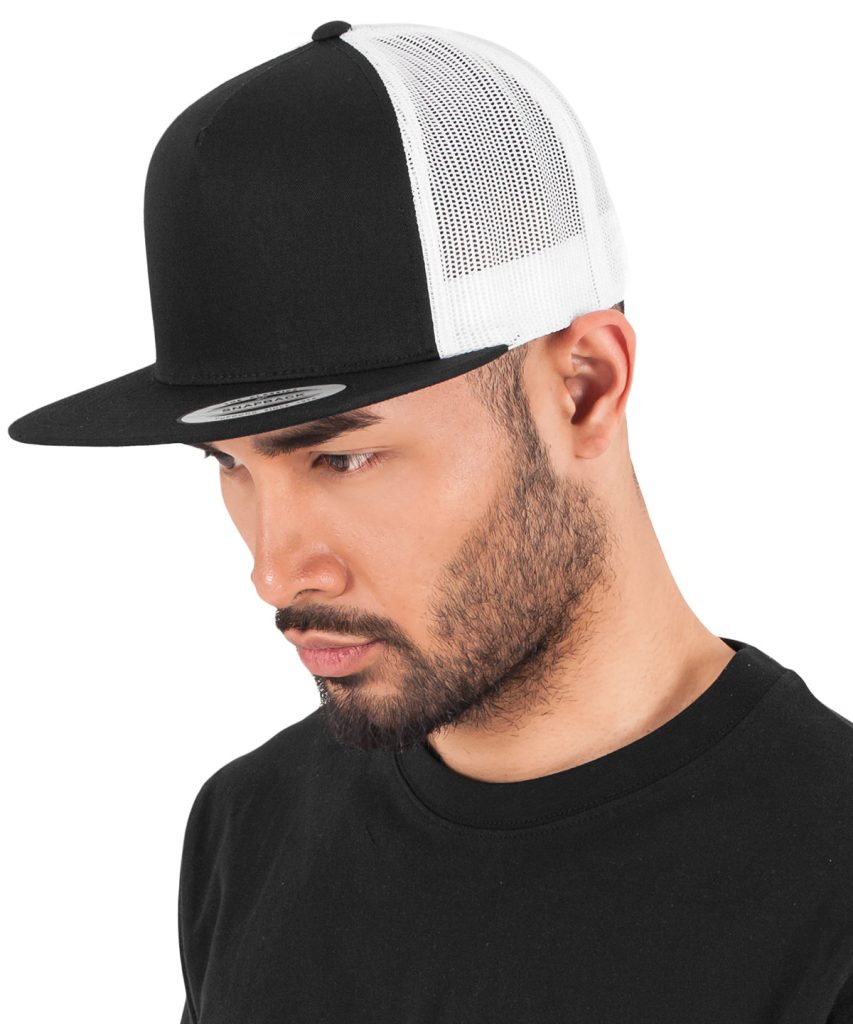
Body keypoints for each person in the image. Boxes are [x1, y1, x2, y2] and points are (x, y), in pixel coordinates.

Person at [7, 19, 853, 1024]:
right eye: (229, 464)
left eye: (341, 457)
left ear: (584, 387)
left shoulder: (824, 895)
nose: (275, 572)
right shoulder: (250, 826)